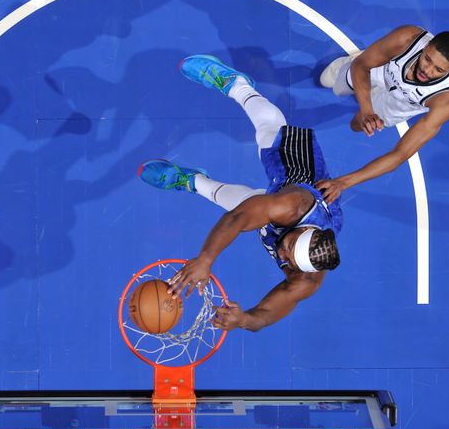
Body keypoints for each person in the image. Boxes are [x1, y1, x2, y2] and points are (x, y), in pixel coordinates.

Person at [138, 55, 342, 332]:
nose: (282, 252)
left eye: (289, 259)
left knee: (248, 204)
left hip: (279, 214)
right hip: (299, 176)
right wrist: (205, 260)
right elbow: (236, 220)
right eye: (290, 246)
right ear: (302, 231)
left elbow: (270, 312)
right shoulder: (290, 206)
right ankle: (236, 84)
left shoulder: (307, 278)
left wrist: (244, 320)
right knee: (270, 132)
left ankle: (192, 180)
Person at [315, 25, 449, 203]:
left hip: (400, 104)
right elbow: (362, 65)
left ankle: (366, 87)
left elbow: (400, 155)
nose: (427, 70)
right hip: (381, 70)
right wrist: (367, 110)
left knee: (356, 126)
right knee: (336, 85)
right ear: (426, 46)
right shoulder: (407, 39)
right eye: (427, 59)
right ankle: (353, 61)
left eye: (438, 70)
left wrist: (342, 183)